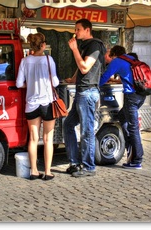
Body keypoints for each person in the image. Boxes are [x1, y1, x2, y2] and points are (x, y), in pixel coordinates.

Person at [64, 18, 106, 178]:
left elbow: (85, 67)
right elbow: (81, 69)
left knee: (86, 130)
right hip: (82, 91)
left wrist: (74, 49)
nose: (75, 32)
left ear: (87, 30)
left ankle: (89, 167)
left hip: (88, 92)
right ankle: (74, 162)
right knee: (68, 124)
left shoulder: (94, 45)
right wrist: (73, 79)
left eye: (78, 29)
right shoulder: (86, 46)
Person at [16, 32, 59, 180]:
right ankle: (47, 171)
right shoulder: (49, 59)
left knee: (33, 139)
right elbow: (55, 82)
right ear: (43, 45)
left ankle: (33, 171)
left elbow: (18, 84)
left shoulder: (25, 61)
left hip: (31, 104)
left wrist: (31, 84)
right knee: (48, 138)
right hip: (47, 102)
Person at [99, 45, 146, 169]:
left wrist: (94, 84)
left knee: (133, 127)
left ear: (114, 55)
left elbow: (104, 78)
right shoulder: (132, 59)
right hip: (142, 94)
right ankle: (130, 146)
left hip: (131, 96)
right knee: (122, 117)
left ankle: (137, 160)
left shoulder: (117, 61)